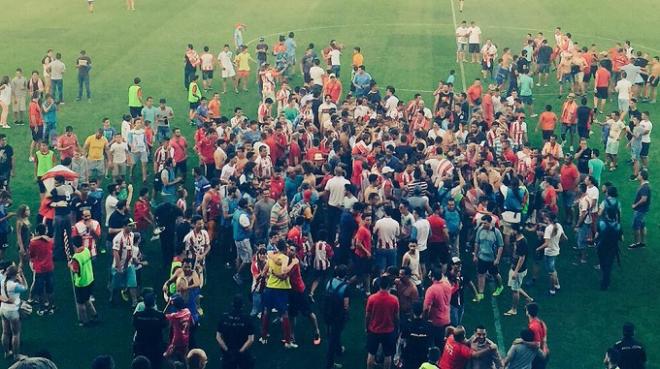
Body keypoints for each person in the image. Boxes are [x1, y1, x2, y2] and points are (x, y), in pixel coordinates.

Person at [365, 276, 399, 369]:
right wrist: (396, 327)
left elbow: (367, 315)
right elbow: (396, 317)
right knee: (388, 355)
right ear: (389, 286)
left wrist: (366, 326)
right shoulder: (394, 299)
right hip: (388, 330)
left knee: (371, 353)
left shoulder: (372, 298)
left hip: (374, 330)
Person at [216, 294, 255, 369]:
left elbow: (218, 337)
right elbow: (251, 339)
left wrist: (227, 350)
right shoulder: (247, 319)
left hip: (227, 352)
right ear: (243, 305)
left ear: (232, 304)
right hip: (243, 353)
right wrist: (240, 351)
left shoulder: (224, 318)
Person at [323, 264, 350, 369]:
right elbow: (346, 305)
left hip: (327, 313)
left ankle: (339, 350)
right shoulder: (345, 287)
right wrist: (346, 314)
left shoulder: (329, 282)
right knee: (332, 339)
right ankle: (329, 364)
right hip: (338, 316)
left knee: (334, 333)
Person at [472, 215, 504, 301]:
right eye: (482, 223)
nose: (483, 225)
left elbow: (501, 246)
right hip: (482, 257)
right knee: (481, 274)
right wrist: (475, 255)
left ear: (490, 223)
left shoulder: (496, 232)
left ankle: (500, 286)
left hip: (492, 258)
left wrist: (497, 259)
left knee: (495, 274)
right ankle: (481, 293)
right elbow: (477, 243)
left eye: (485, 223)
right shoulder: (480, 229)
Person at [133, 289, 167, 369]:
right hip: (156, 346)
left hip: (141, 346)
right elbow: (165, 325)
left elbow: (134, 325)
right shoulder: (160, 316)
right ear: (154, 303)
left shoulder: (137, 316)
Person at [0, 265, 28, 360]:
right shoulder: (14, 285)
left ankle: (7, 352)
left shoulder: (3, 281)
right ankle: (16, 355)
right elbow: (25, 287)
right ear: (14, 275)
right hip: (12, 311)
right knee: (16, 334)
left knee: (5, 332)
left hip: (3, 309)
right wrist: (22, 277)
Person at [504, 225, 532, 316]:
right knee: (515, 286)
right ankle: (528, 299)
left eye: (512, 229)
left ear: (516, 231)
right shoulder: (517, 239)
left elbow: (522, 258)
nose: (511, 231)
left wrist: (515, 272)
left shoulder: (522, 242)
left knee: (515, 290)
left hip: (518, 270)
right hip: (514, 267)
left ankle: (514, 309)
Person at [28, 224, 54, 316]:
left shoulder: (33, 243)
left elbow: (31, 255)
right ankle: (50, 308)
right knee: (50, 290)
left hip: (39, 269)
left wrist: (34, 238)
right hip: (49, 267)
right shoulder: (50, 241)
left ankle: (42, 309)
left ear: (37, 232)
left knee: (40, 290)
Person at [423, 267, 452, 347]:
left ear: (432, 277)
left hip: (436, 322)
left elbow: (426, 308)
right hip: (447, 319)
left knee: (432, 344)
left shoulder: (431, 289)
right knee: (443, 344)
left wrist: (425, 319)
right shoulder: (447, 285)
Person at [629, 169, 650, 249]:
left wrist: (635, 205)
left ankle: (636, 243)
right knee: (642, 225)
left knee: (636, 227)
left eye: (639, 175)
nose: (637, 176)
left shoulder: (644, 187)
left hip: (640, 210)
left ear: (642, 177)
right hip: (643, 210)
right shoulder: (644, 185)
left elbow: (644, 199)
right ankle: (642, 242)